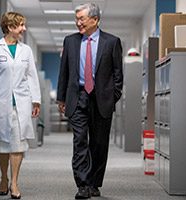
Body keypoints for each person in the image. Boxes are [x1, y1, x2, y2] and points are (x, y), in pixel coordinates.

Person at [57, 3, 123, 199]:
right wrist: (61, 98)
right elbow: (64, 72)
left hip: (101, 98)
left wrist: (112, 97)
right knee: (79, 141)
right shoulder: (70, 41)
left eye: (82, 19)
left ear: (94, 20)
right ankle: (83, 184)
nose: (78, 23)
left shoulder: (111, 42)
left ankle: (95, 183)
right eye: (76, 19)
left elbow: (118, 74)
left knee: (99, 143)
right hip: (77, 97)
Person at [0, 11, 41, 199]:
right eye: (21, 25)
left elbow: (32, 76)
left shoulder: (26, 51)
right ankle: (3, 178)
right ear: (10, 27)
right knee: (2, 143)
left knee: (18, 144)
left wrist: (36, 99)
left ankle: (14, 181)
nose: (24, 29)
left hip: (21, 103)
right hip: (1, 102)